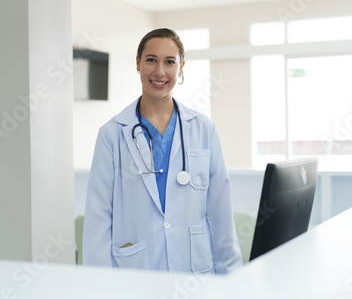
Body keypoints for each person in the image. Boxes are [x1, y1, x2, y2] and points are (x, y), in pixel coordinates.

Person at [83, 28, 242, 274]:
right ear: (138, 64)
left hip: (195, 272)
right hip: (136, 272)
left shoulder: (203, 129)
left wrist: (233, 278)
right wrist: (99, 284)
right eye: (151, 60)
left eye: (169, 62)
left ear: (181, 67)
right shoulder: (112, 134)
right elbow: (98, 218)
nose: (159, 71)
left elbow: (220, 213)